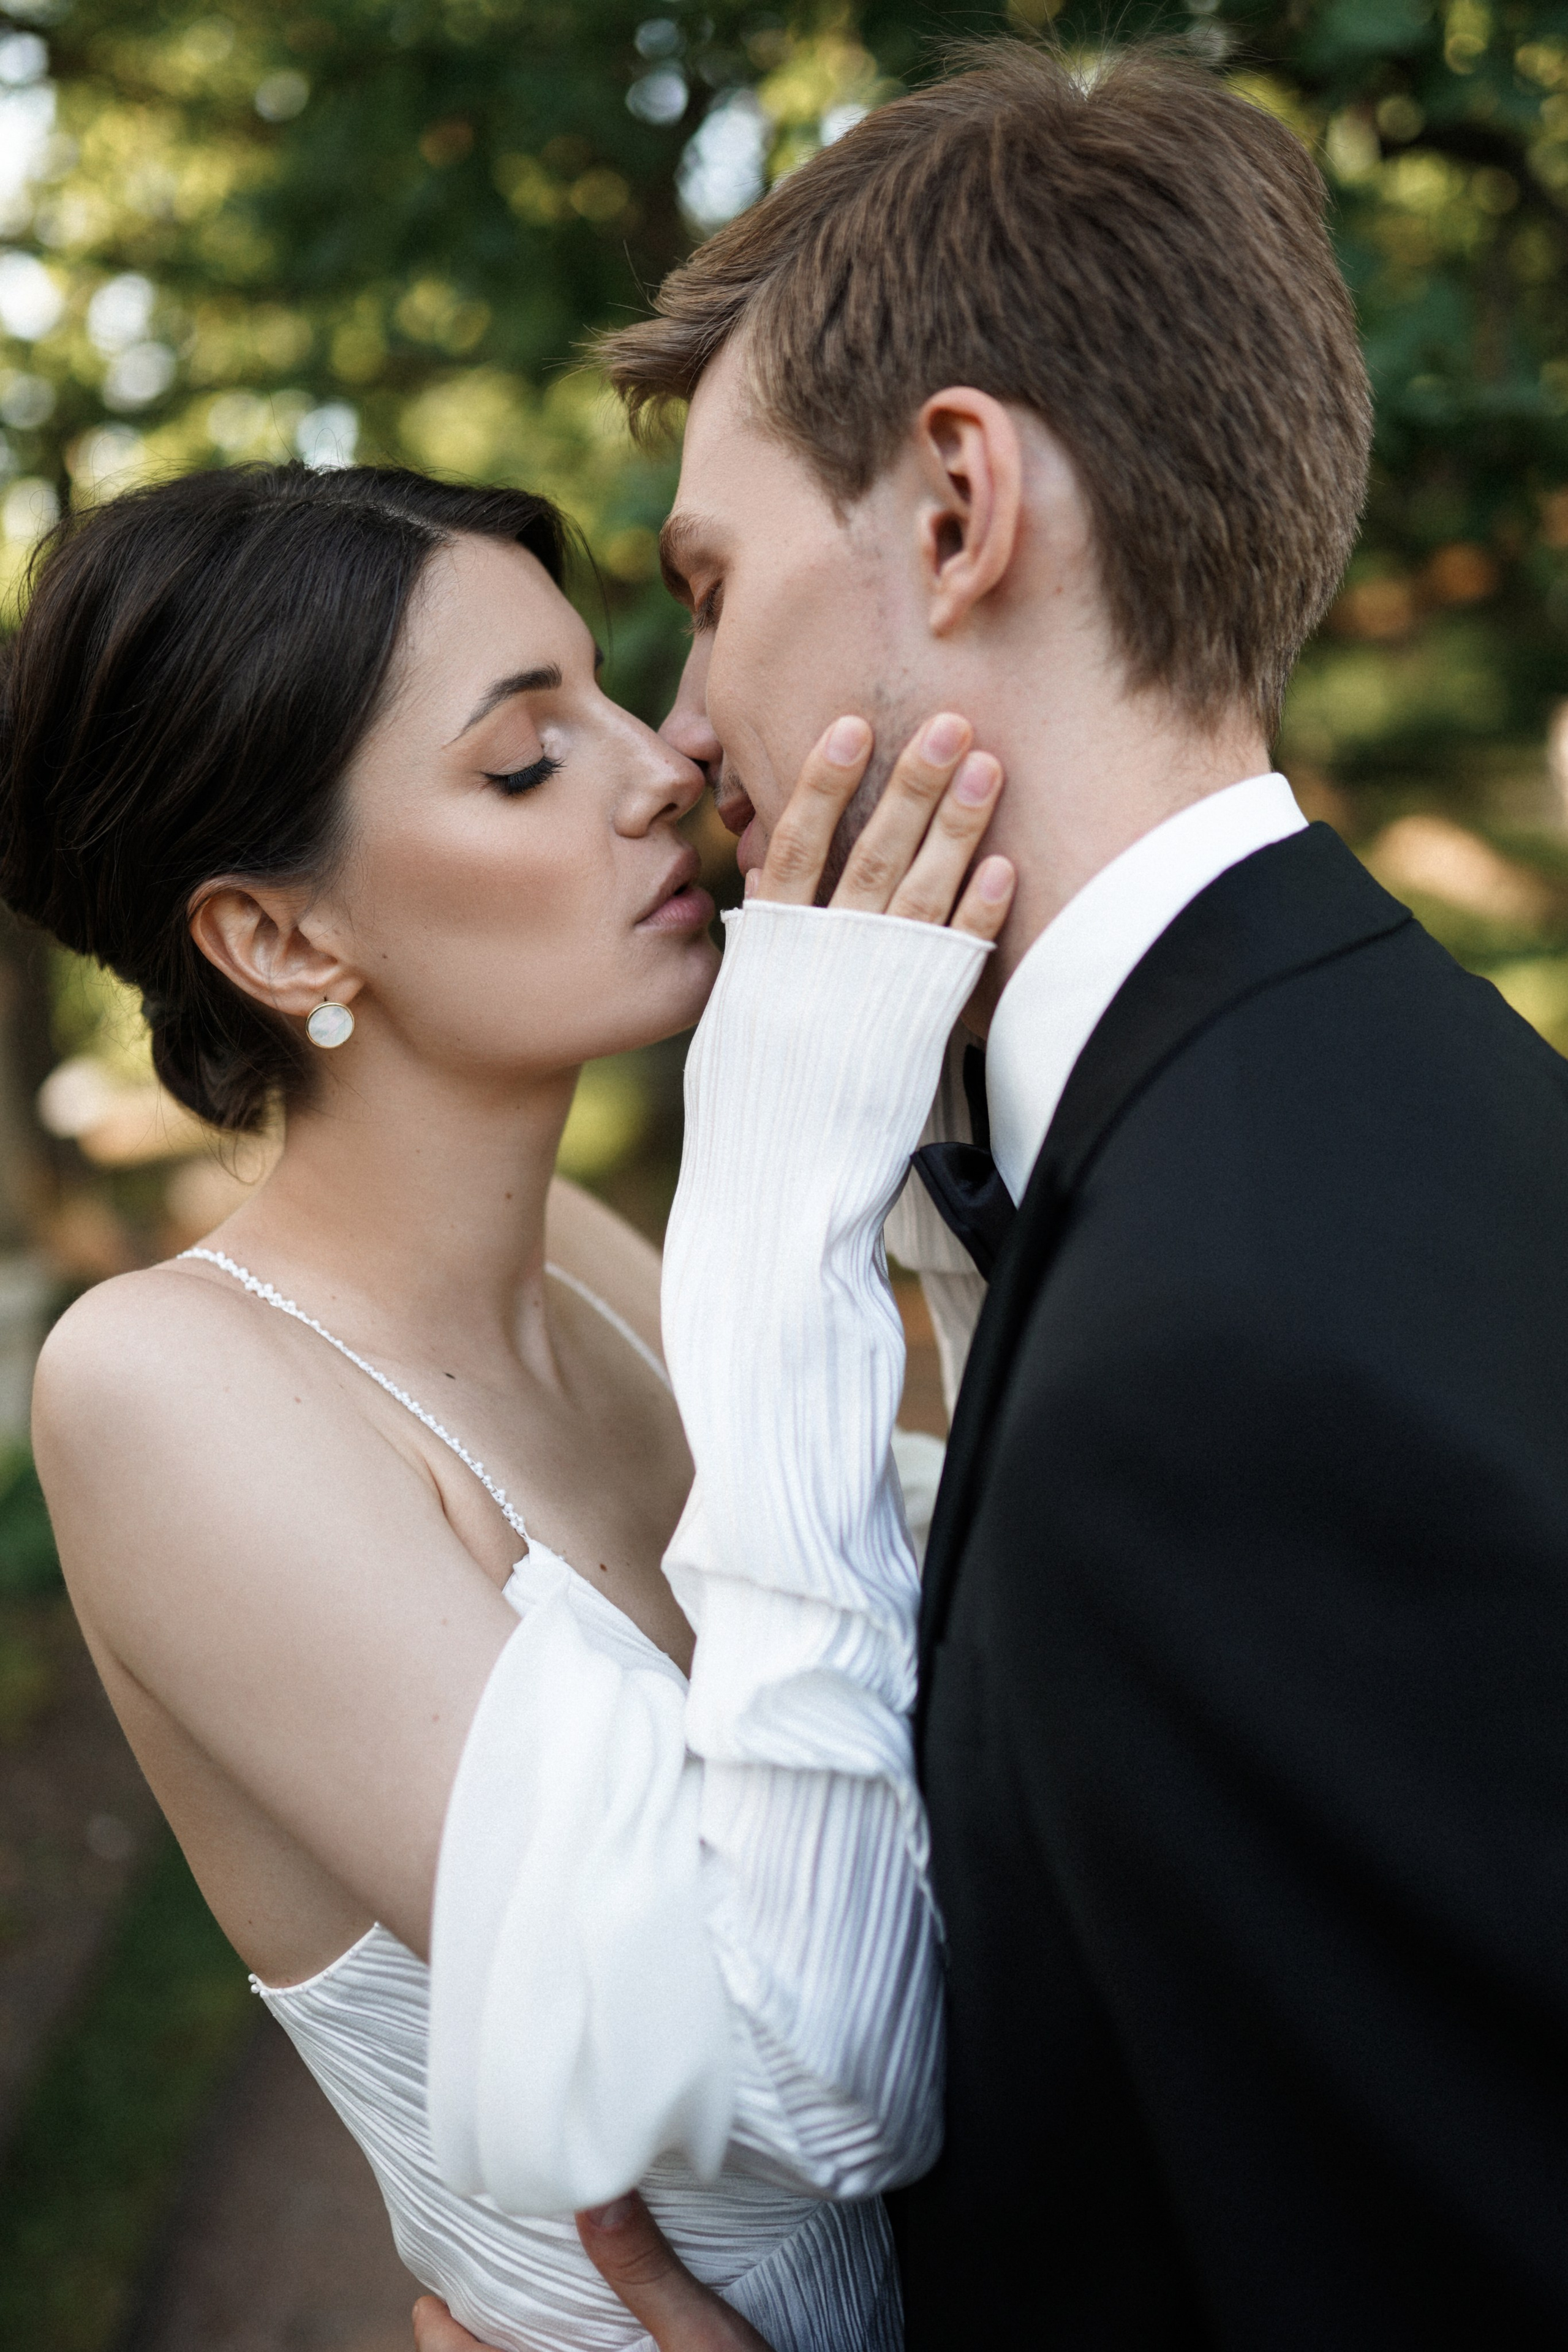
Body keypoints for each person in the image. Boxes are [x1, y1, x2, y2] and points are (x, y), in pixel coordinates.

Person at [423, 31, 1568, 2352]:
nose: (692, 732)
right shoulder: (1397, 1084)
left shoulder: (1219, 1353)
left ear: (957, 509)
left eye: (711, 583)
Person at [8, 460, 1015, 2351]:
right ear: (285, 940)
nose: (661, 766)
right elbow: (806, 2070)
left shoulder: (584, 1257)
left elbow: (1005, 1667)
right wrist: (795, 1182)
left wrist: (927, 1131)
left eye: (612, 695)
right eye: (524, 761)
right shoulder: (164, 1392)